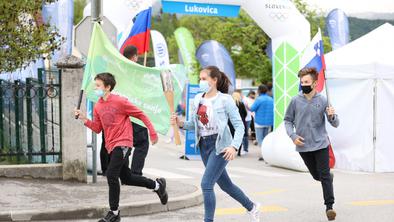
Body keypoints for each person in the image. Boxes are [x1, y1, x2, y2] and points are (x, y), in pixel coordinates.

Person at [171, 66, 260, 222]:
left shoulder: (225, 100)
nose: (201, 81)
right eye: (200, 78)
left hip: (220, 146)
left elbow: (239, 125)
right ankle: (252, 206)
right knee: (226, 185)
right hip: (204, 145)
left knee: (206, 184)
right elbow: (193, 124)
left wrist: (234, 146)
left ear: (214, 80)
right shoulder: (197, 99)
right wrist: (179, 123)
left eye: (204, 78)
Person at [75, 73, 168, 222]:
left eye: (98, 86)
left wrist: (152, 132)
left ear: (108, 87)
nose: (95, 88)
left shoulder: (120, 101)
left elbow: (141, 115)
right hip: (111, 145)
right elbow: (98, 128)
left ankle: (114, 212)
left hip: (123, 142)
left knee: (111, 175)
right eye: (95, 85)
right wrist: (85, 119)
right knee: (127, 178)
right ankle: (157, 185)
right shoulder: (98, 106)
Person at [284, 67, 339, 221]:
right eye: (302, 82)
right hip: (303, 145)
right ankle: (327, 177)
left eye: (306, 82)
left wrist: (332, 116)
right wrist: (292, 135)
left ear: (315, 83)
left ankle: (329, 207)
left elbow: (335, 123)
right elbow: (287, 120)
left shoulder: (323, 100)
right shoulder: (295, 100)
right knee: (317, 176)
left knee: (324, 175)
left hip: (321, 144)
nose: (303, 84)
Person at [100, 45, 150, 176]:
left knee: (121, 142)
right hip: (132, 112)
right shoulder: (137, 71)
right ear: (134, 57)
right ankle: (135, 173)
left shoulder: (116, 69)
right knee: (142, 143)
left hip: (116, 113)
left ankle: (119, 171)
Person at [250, 85, 274, 161]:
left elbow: (252, 109)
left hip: (259, 122)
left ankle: (263, 155)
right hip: (269, 122)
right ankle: (267, 154)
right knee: (266, 139)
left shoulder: (259, 99)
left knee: (260, 139)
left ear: (259, 91)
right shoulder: (271, 99)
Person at [229, 91, 248, 156]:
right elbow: (245, 113)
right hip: (240, 121)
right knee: (239, 136)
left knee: (232, 136)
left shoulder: (230, 103)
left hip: (231, 122)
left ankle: (231, 149)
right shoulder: (241, 104)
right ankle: (239, 151)